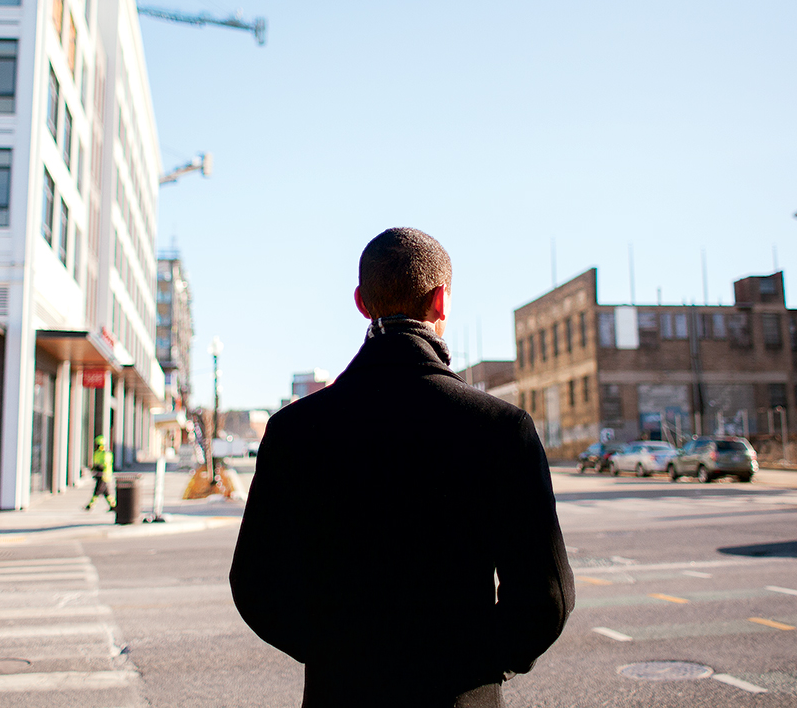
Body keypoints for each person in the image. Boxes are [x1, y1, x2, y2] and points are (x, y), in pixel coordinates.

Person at [230, 228, 574, 708]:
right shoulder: (501, 428)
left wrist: (338, 652)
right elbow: (547, 599)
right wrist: (477, 659)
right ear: (441, 302)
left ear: (360, 303)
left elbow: (255, 586)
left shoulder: (293, 430)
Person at [84, 436, 115, 511]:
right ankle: (113, 505)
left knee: (97, 491)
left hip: (104, 475)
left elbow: (105, 464)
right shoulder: (97, 453)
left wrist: (98, 467)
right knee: (106, 492)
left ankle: (91, 505)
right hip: (98, 474)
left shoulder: (106, 454)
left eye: (97, 444)